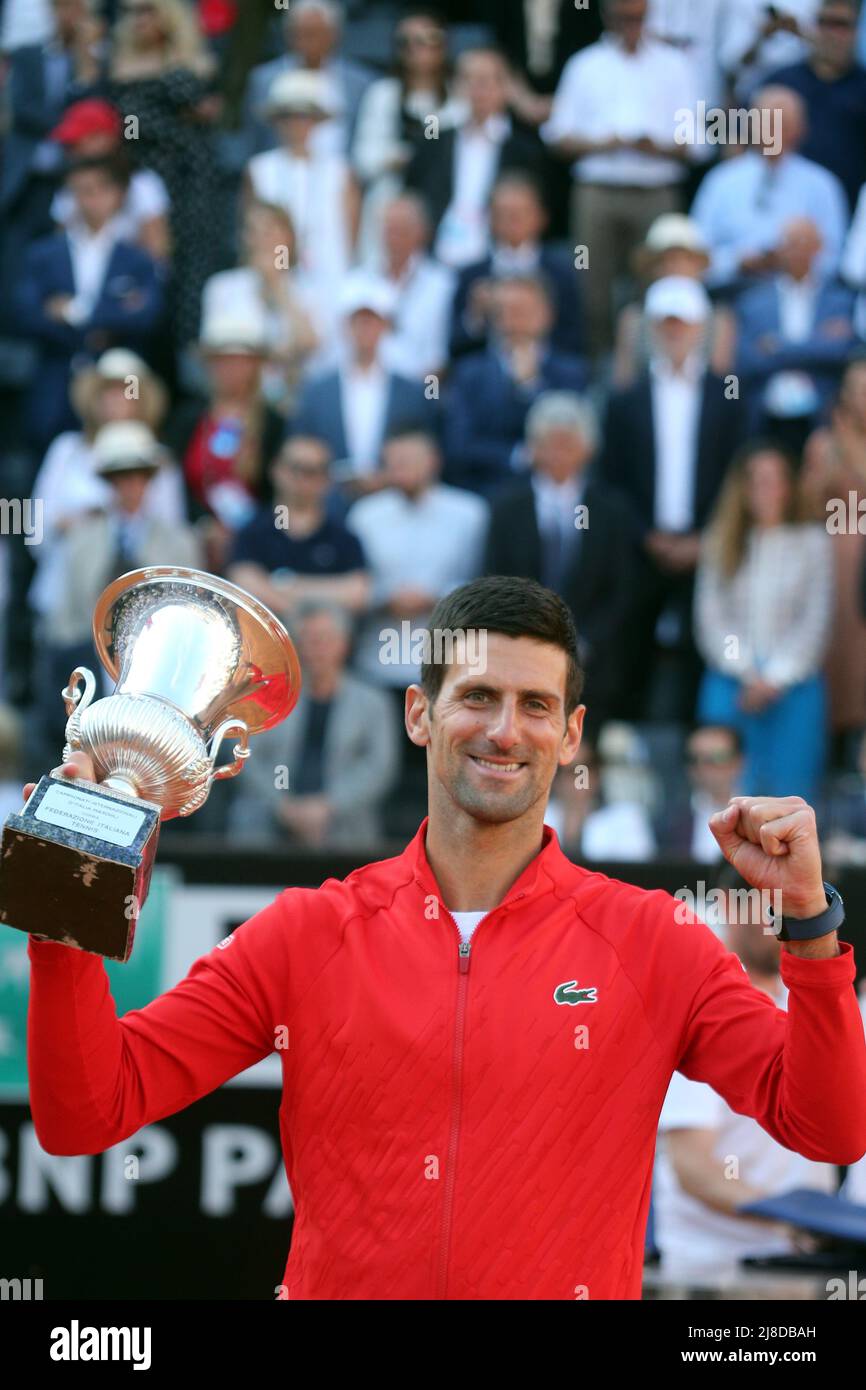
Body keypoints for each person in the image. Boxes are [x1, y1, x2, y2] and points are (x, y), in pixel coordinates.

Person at [24, 573, 866, 1301]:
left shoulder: (653, 939)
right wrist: (68, 905)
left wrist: (811, 931)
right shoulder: (308, 932)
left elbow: (831, 1129)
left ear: (570, 735)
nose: (505, 730)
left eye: (535, 705)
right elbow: (86, 1114)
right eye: (477, 697)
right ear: (420, 715)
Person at [654, 867, 838, 1280]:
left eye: (789, 906)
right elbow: (693, 1168)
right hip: (715, 1271)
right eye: (767, 907)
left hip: (803, 1262)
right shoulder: (700, 1009)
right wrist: (793, 1218)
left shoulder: (811, 1007)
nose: (778, 921)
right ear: (726, 905)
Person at [601, 275, 745, 722]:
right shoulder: (625, 400)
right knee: (631, 650)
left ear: (700, 328)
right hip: (644, 548)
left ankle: (697, 755)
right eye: (666, 324)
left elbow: (734, 476)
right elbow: (612, 480)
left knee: (702, 655)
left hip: (709, 546)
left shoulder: (729, 397)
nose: (675, 333)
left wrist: (707, 536)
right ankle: (628, 751)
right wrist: (647, 536)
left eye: (683, 324)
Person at [541, 0, 697, 354]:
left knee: (659, 288)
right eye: (624, 18)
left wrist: (654, 146)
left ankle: (647, 374)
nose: (632, 26)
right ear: (607, 16)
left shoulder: (675, 65)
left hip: (657, 191)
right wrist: (604, 143)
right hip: (598, 191)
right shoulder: (585, 65)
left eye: (639, 18)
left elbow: (695, 144)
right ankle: (597, 372)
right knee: (590, 288)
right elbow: (558, 137)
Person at [483, 391, 634, 733]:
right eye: (549, 443)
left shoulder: (611, 510)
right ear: (533, 448)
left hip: (592, 665)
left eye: (569, 443)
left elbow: (621, 590)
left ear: (588, 449)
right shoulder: (506, 507)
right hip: (517, 658)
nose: (558, 453)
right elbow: (493, 582)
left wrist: (583, 641)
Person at [694, 440, 834, 801]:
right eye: (755, 480)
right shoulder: (720, 540)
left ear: (789, 486)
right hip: (731, 685)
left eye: (773, 480)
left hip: (794, 688)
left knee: (790, 798)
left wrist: (774, 676)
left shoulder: (812, 543)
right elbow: (711, 618)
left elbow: (815, 620)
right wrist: (746, 670)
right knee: (727, 800)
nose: (764, 490)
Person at [15, 154, 165, 451]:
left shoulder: (136, 259)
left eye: (98, 189)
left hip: (116, 392)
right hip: (55, 386)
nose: (89, 200)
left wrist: (73, 311)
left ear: (118, 195)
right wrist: (112, 315)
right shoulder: (43, 254)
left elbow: (147, 316)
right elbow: (24, 312)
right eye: (80, 190)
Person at [226, 600, 399, 850]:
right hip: (269, 818)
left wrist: (329, 806)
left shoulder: (373, 701)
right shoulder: (266, 694)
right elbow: (243, 755)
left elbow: (379, 767)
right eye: (306, 639)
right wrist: (283, 805)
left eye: (325, 639)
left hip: (345, 823)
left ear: (345, 643)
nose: (316, 649)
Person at [107, 0, 223, 347]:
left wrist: (151, 118)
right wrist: (167, 121)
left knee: (192, 272)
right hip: (145, 181)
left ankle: (189, 363)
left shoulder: (193, 62)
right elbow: (128, 128)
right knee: (149, 269)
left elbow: (208, 114)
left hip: (192, 179)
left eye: (148, 9)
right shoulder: (118, 69)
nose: (140, 19)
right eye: (133, 12)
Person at [290, 272, 435, 506]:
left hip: (394, 504)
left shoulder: (412, 392)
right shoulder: (316, 391)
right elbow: (299, 447)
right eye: (358, 321)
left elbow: (424, 449)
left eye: (372, 320)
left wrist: (387, 478)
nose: (365, 328)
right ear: (345, 325)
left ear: (385, 325)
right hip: (330, 507)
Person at [690, 85, 850, 295]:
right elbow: (695, 252)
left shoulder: (821, 185)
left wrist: (793, 262)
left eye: (782, 124)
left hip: (800, 296)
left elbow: (834, 258)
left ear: (801, 129)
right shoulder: (721, 181)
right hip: (732, 292)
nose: (773, 132)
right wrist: (738, 261)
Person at [443, 273, 588, 498]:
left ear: (546, 315)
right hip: (487, 493)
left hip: (558, 495)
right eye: (502, 312)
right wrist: (519, 456)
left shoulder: (572, 373)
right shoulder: (469, 373)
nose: (512, 321)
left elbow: (577, 439)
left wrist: (530, 387)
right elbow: (459, 446)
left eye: (522, 311)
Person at [404, 46, 544, 269]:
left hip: (499, 262)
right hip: (435, 259)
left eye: (487, 81)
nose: (478, 90)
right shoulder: (433, 143)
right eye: (469, 80)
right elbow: (414, 196)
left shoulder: (526, 150)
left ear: (506, 88)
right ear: (455, 86)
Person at [244, 69, 359, 329]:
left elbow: (350, 240)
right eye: (288, 116)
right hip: (275, 280)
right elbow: (251, 230)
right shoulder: (260, 169)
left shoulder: (340, 171)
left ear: (317, 121)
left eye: (304, 116)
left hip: (330, 277)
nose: (296, 124)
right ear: (276, 120)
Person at [351, 7, 463, 262]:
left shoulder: (459, 97)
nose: (417, 49)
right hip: (390, 205)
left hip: (446, 209)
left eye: (428, 40)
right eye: (406, 42)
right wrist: (405, 155)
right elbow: (363, 161)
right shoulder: (383, 94)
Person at [226, 435, 370, 622]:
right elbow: (243, 585)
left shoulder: (343, 536)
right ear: (276, 469)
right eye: (295, 468)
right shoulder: (253, 532)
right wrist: (319, 601)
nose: (303, 479)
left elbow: (358, 593)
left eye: (313, 471)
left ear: (327, 480)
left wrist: (284, 584)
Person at [734, 215, 858, 427]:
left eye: (803, 243)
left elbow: (843, 352)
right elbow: (744, 362)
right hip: (766, 416)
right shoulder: (753, 302)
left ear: (819, 247)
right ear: (778, 249)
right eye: (789, 243)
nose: (796, 251)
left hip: (822, 414)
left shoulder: (841, 300)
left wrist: (778, 347)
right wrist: (816, 343)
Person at [201, 200, 321, 415]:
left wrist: (277, 284)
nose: (262, 239)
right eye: (254, 230)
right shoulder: (222, 287)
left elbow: (309, 342)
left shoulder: (309, 289)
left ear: (288, 239)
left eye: (270, 230)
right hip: (241, 403)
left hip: (293, 403)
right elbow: (216, 349)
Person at [449, 171, 584, 361]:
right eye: (503, 214)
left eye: (519, 213)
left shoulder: (562, 273)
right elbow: (453, 347)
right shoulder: (470, 275)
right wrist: (475, 317)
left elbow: (575, 340)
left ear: (540, 217)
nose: (512, 222)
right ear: (490, 219)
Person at [801, 358, 866, 747]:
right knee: (838, 658)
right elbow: (807, 505)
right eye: (856, 388)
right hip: (833, 562)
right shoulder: (823, 443)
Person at [612, 214, 735, 388]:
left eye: (682, 259)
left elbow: (721, 386)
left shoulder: (720, 319)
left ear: (699, 266)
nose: (673, 267)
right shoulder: (632, 319)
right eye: (663, 261)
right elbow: (623, 385)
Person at [766, 0, 866, 212]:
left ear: (856, 30)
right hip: (782, 210)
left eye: (841, 24)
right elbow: (741, 142)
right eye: (824, 23)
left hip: (852, 210)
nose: (832, 33)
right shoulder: (781, 81)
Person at [244, 0, 373, 159]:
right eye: (297, 33)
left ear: (334, 35)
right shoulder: (263, 79)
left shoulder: (360, 82)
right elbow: (254, 140)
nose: (303, 41)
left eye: (312, 33)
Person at [48, 97, 171, 261]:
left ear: (104, 139)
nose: (71, 151)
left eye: (78, 142)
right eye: (70, 145)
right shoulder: (68, 189)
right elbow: (59, 252)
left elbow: (158, 254)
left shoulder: (142, 185)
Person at [370, 194, 456, 381]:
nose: (394, 238)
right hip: (368, 391)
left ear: (422, 233)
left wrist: (428, 400)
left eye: (402, 230)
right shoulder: (361, 281)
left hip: (417, 392)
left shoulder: (441, 284)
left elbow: (438, 360)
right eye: (389, 229)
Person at [656, 725, 746, 860]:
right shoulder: (669, 823)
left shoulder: (759, 816)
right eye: (694, 759)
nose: (703, 767)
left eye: (717, 757)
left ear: (739, 762)